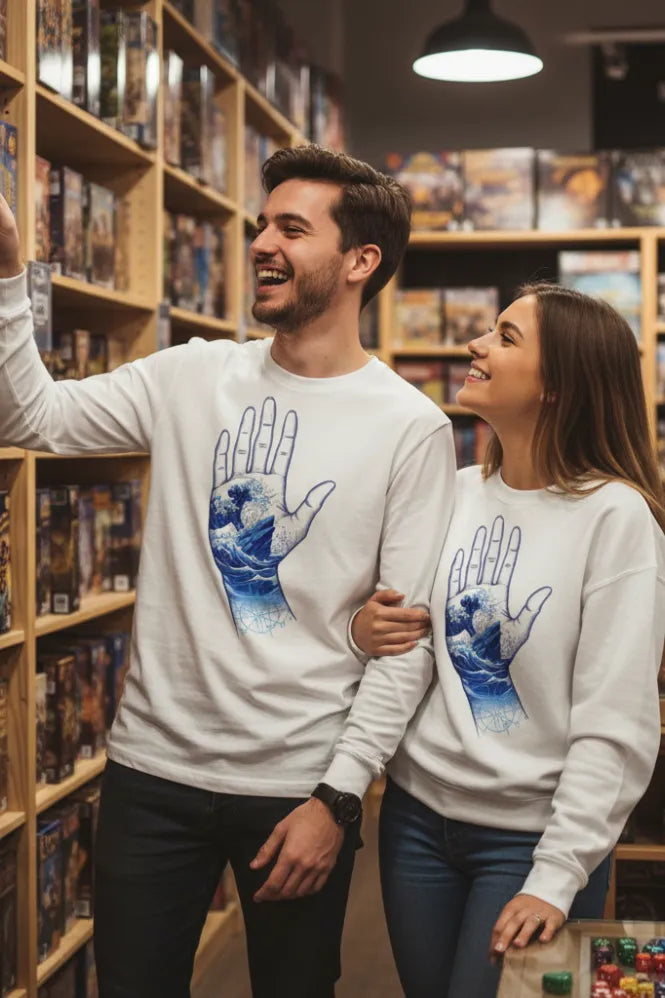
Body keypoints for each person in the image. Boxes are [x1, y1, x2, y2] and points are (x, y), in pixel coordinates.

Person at [0, 145, 456, 997]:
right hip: (150, 775)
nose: (259, 242)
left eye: (291, 227)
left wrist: (339, 799)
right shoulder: (192, 374)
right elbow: (32, 415)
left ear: (360, 261)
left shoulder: (410, 429)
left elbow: (407, 643)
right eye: (259, 224)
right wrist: (4, 274)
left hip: (299, 786)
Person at [351, 283, 665, 998]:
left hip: (530, 840)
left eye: (505, 337)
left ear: (557, 386)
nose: (475, 345)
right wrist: (361, 630)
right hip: (415, 823)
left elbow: (614, 726)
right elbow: (408, 640)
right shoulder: (453, 492)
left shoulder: (615, 521)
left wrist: (556, 875)